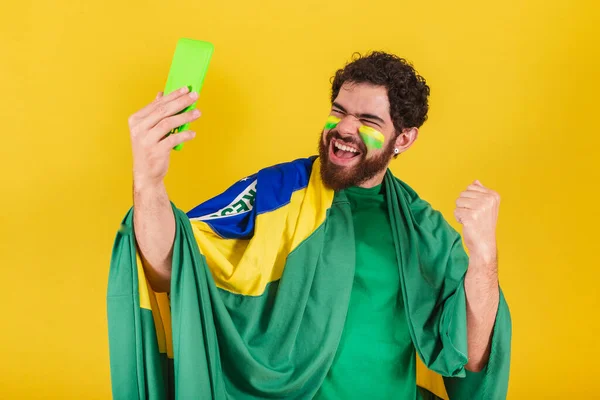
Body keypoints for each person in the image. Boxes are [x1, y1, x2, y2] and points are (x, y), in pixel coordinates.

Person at [107, 51, 512, 399]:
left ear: (403, 140)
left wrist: (484, 255)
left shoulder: (424, 230)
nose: (344, 129)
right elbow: (170, 267)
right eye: (339, 111)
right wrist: (148, 180)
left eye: (368, 120)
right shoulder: (275, 191)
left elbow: (472, 357)